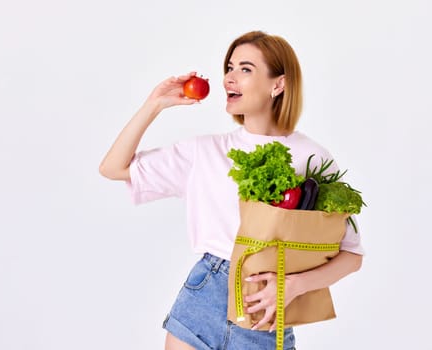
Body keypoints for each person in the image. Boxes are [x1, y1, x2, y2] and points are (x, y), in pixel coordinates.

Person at [99, 30, 363, 350]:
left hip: (263, 316)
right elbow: (113, 168)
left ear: (277, 84)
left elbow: (351, 255)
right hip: (202, 300)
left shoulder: (312, 158)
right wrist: (154, 104)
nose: (229, 78)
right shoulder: (205, 152)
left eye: (245, 69)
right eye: (229, 67)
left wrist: (292, 286)